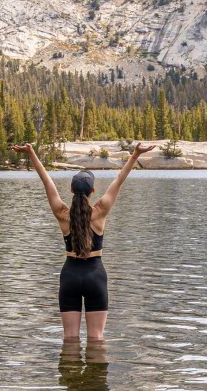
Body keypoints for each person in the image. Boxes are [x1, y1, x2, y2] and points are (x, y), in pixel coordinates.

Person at [11, 141, 155, 342]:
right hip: (95, 277)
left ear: (71, 191)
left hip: (69, 276)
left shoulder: (63, 215)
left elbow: (47, 182)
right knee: (96, 338)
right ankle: (93, 373)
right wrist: (135, 155)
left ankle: (70, 372)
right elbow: (119, 180)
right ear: (92, 191)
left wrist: (31, 152)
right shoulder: (100, 211)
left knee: (70, 339)